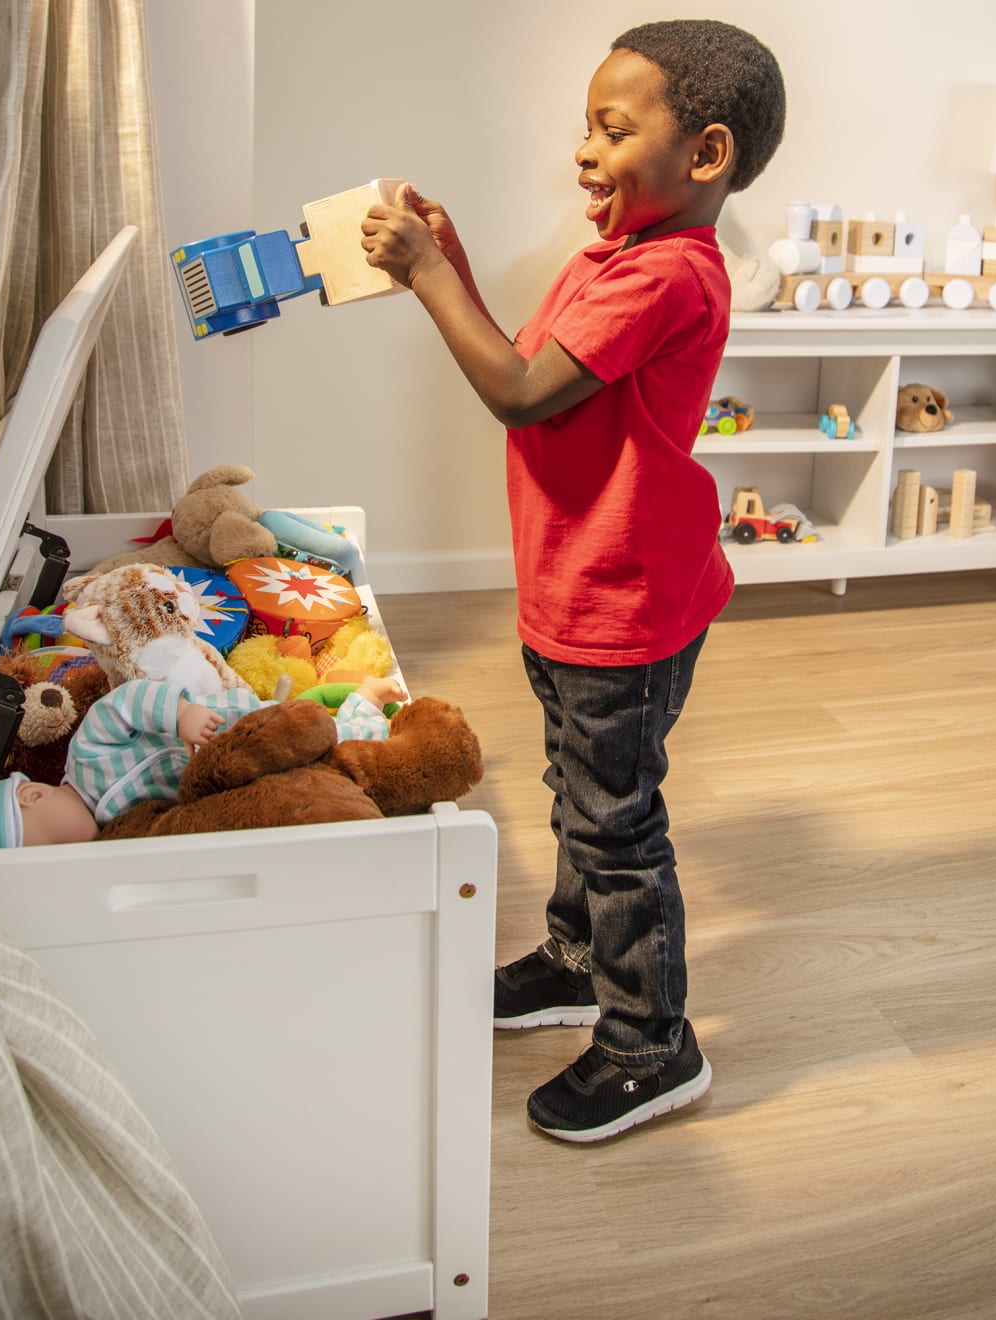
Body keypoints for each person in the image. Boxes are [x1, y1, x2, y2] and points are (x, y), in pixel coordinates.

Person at [361, 19, 785, 1142]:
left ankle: (654, 1045)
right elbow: (529, 367)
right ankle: (575, 956)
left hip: (623, 601)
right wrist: (447, 263)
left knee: (615, 822)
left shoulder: (666, 278)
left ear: (704, 155)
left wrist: (424, 276)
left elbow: (513, 390)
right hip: (581, 583)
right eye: (584, 130)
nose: (586, 152)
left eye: (612, 129)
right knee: (582, 793)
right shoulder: (614, 261)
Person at [0, 674, 407, 849]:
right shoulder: (116, 832)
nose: (63, 853)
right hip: (234, 776)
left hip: (228, 727)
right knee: (319, 770)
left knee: (322, 738)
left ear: (33, 795)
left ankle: (366, 702)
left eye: (48, 844)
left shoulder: (85, 760)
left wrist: (180, 714)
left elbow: (123, 702)